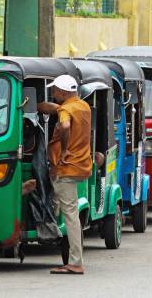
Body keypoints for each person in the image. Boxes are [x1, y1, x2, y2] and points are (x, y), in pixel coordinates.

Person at [38, 75, 92, 275]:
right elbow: (61, 109)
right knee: (67, 209)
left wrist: (65, 147)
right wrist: (44, 106)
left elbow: (66, 124)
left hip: (65, 168)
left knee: (70, 215)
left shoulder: (66, 112)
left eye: (55, 91)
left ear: (62, 92)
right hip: (81, 166)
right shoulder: (82, 106)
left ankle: (75, 262)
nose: (53, 93)